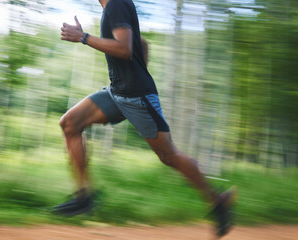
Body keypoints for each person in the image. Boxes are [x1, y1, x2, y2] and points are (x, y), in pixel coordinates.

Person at [53, 0, 237, 237]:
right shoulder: (114, 8)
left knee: (168, 155)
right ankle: (84, 197)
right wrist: (133, 74)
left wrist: (83, 37)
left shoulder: (116, 4)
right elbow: (141, 44)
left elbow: (125, 49)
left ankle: (218, 200)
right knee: (70, 123)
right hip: (118, 93)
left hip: (137, 98)